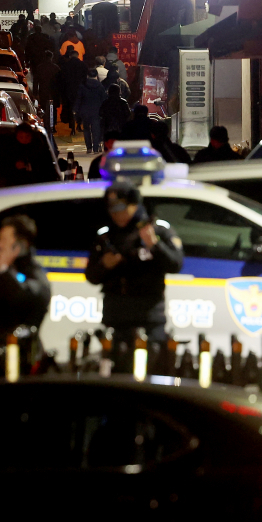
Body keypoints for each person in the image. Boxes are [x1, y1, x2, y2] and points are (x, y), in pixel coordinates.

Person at [84, 183, 184, 372]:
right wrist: (105, 265)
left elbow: (176, 264)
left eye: (120, 207)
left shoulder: (156, 230)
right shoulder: (106, 236)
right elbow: (91, 276)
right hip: (116, 319)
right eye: (111, 208)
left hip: (149, 318)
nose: (115, 213)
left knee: (151, 374)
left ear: (134, 204)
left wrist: (154, 246)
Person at [0, 215, 52, 365]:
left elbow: (23, 303)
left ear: (20, 245)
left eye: (3, 240)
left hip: (20, 355)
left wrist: (5, 271)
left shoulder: (35, 274)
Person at [74, 68, 106, 153]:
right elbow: (104, 99)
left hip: (85, 111)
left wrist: (75, 109)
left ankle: (89, 147)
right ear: (96, 76)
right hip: (97, 111)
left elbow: (79, 99)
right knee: (96, 129)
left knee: (86, 129)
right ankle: (96, 148)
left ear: (87, 76)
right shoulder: (100, 86)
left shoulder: (82, 85)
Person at [58, 47, 88, 134]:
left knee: (70, 108)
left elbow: (62, 79)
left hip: (68, 90)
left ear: (70, 56)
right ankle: (79, 125)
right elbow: (85, 78)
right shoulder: (83, 65)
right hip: (80, 89)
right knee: (80, 108)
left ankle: (72, 128)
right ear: (78, 56)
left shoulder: (65, 65)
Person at [30, 50, 60, 117]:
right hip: (53, 92)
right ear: (51, 57)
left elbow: (35, 81)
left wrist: (35, 93)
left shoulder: (40, 67)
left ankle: (46, 123)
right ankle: (52, 124)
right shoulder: (56, 68)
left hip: (43, 91)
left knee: (44, 108)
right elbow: (60, 81)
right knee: (52, 108)